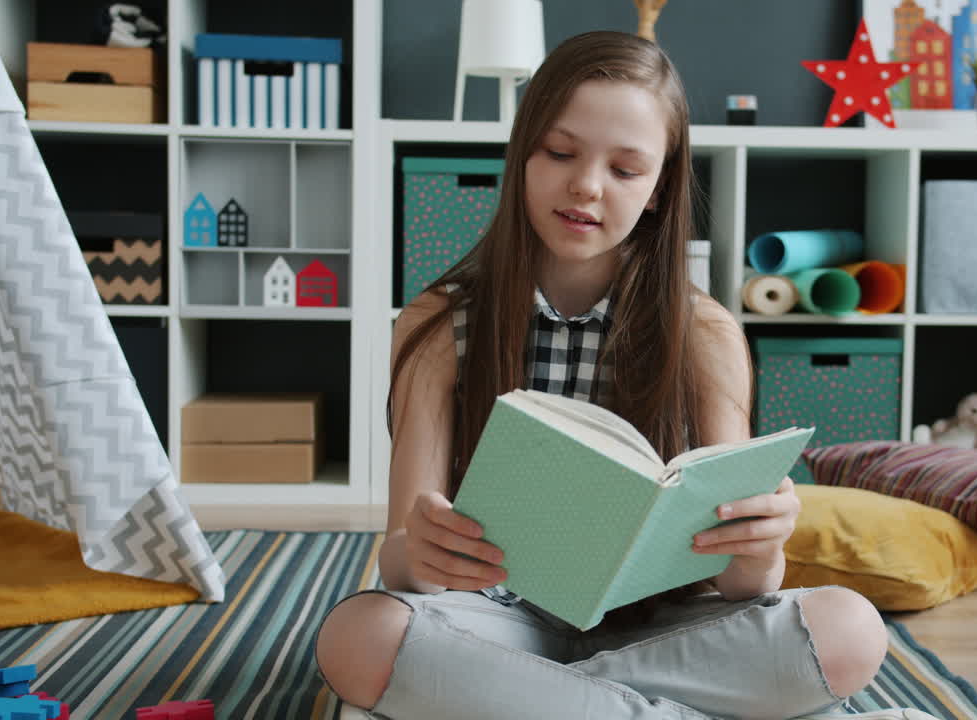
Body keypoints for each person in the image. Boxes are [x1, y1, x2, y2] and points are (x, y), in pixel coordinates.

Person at [315, 30, 922, 720]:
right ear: (521, 155)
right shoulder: (437, 322)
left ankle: (534, 700)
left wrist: (759, 547)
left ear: (661, 189)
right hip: (492, 618)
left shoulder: (706, 332)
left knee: (849, 630)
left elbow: (742, 587)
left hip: (654, 626)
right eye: (560, 152)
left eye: (626, 170)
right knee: (358, 637)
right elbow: (399, 558)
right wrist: (421, 553)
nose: (585, 185)